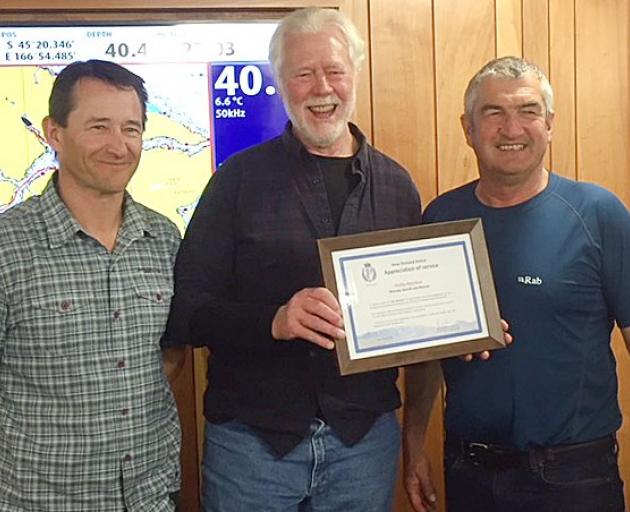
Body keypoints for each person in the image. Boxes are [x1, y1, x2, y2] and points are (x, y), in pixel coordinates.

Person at [164, 7, 437, 512]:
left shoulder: (398, 187)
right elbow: (187, 310)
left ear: (355, 74)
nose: (321, 87)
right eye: (303, 73)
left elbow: (418, 310)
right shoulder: (236, 181)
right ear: (280, 83)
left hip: (364, 442)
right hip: (252, 445)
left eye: (333, 70)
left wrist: (459, 327)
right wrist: (274, 320)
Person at [403, 56, 630, 512]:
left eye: (527, 111)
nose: (512, 129)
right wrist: (413, 444)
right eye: (493, 113)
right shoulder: (442, 219)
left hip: (574, 477)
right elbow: (424, 354)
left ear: (549, 124)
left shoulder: (598, 214)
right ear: (468, 128)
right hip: (468, 472)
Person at [0, 60, 182, 511]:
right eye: (99, 126)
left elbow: (173, 350)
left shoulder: (164, 239)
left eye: (131, 129)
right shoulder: (8, 246)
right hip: (40, 499)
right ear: (53, 132)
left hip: (149, 496)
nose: (118, 146)